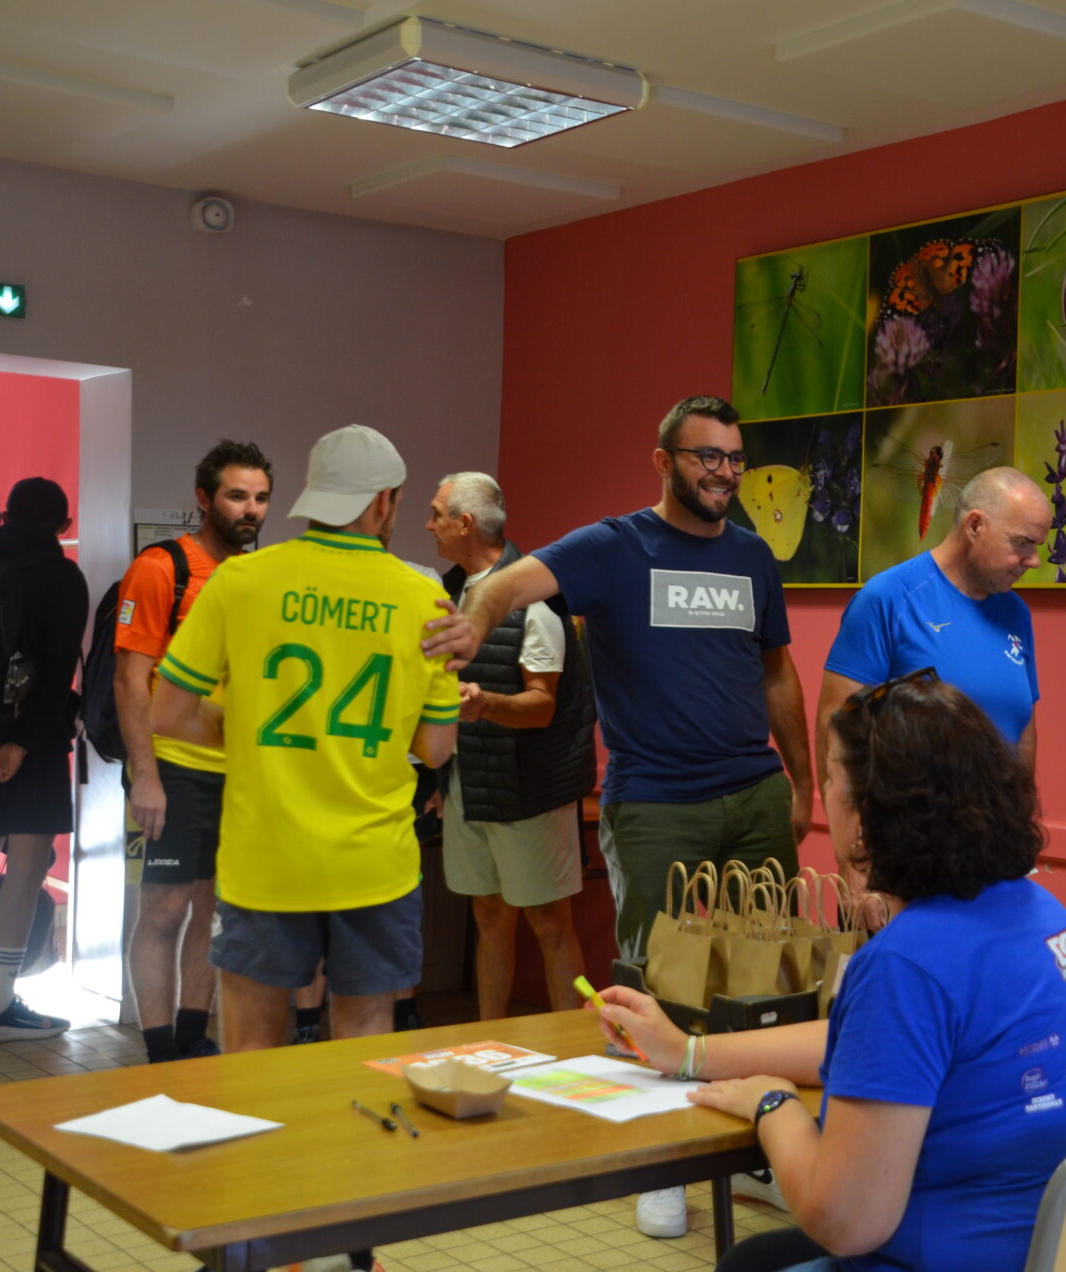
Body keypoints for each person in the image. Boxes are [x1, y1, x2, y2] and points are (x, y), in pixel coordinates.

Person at [421, 393, 814, 1239]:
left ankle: (755, 1151)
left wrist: (802, 781)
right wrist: (475, 620)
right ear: (664, 461)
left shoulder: (752, 556)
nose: (724, 473)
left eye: (734, 458)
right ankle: (657, 1165)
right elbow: (512, 583)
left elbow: (777, 672)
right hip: (657, 799)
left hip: (754, 791)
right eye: (707, 457)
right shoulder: (616, 546)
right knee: (655, 985)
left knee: (765, 982)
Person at [591, 674, 1066, 1272]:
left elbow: (846, 1223)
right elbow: (874, 1047)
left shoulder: (906, 963)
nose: (825, 795)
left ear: (869, 816)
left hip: (965, 1255)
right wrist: (690, 1052)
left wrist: (774, 1107)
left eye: (830, 780)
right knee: (756, 1258)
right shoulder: (1042, 913)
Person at [151, 424, 459, 1056]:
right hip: (373, 860)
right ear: (383, 501)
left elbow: (168, 714)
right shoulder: (425, 598)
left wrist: (244, 735)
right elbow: (435, 749)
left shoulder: (241, 580)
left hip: (264, 854)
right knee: (364, 1038)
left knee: (251, 1036)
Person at [116, 440, 272, 1062]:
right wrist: (145, 776)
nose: (251, 510)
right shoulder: (162, 568)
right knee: (163, 909)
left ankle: (191, 1035)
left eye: (261, 498)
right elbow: (130, 681)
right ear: (204, 499)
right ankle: (158, 1050)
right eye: (237, 496)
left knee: (213, 911)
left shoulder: (262, 575)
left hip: (243, 773)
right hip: (175, 769)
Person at [426, 471, 593, 1020]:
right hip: (469, 787)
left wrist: (487, 705)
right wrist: (442, 778)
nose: (428, 525)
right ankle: (489, 1039)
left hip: (531, 791)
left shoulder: (535, 601)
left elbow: (542, 705)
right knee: (488, 917)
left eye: (436, 514)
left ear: (465, 523)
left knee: (550, 924)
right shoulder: (447, 592)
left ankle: (573, 1048)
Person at [0, 478, 91, 1042]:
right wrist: (22, 743)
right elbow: (56, 672)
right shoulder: (60, 575)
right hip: (34, 745)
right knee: (26, 866)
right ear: (64, 525)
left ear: (5, 516)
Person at [816, 467, 1049, 773]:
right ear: (975, 525)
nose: (1034, 561)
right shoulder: (887, 598)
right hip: (907, 803)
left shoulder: (1016, 613)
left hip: (999, 805)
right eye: (1023, 543)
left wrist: (1023, 803)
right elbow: (837, 729)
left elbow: (1023, 732)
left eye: (1036, 546)